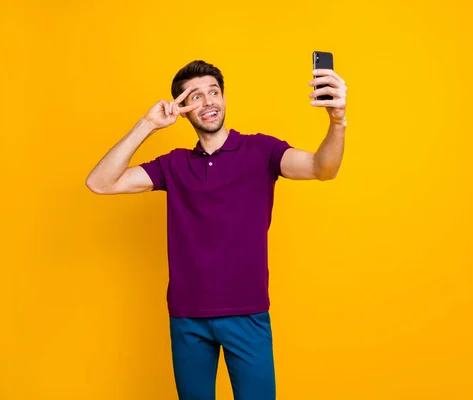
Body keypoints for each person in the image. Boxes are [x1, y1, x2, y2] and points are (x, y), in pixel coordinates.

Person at [85, 60, 347, 400]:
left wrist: (337, 121)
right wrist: (147, 125)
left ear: (224, 98)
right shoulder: (173, 164)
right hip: (187, 318)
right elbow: (100, 183)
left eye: (214, 92)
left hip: (247, 313)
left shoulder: (261, 150)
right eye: (195, 96)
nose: (208, 101)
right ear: (182, 109)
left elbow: (321, 168)